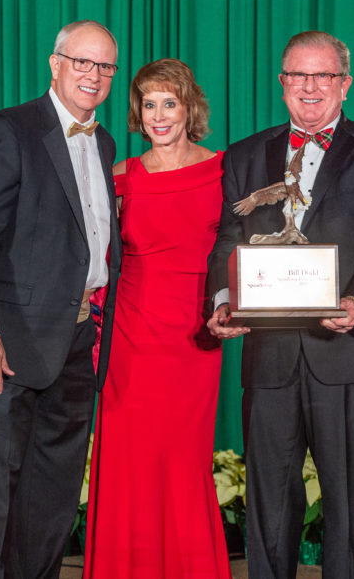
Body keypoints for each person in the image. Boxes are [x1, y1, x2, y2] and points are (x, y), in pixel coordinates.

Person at [206, 31, 354, 579]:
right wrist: (224, 300)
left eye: (323, 76)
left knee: (345, 497)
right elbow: (227, 239)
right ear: (282, 83)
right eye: (297, 75)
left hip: (345, 352)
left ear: (346, 84)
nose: (309, 87)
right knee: (269, 496)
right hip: (268, 354)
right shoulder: (246, 154)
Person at [0, 20, 122, 578]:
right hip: (9, 340)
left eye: (105, 67)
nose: (93, 76)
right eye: (82, 62)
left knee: (53, 492)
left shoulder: (103, 141)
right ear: (55, 64)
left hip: (77, 339)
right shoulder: (8, 130)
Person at [82, 58, 230, 578]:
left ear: (190, 108)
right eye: (149, 105)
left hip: (193, 338)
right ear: (137, 113)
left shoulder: (223, 172)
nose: (160, 115)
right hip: (130, 339)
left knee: (183, 462)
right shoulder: (120, 176)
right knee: (128, 462)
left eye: (170, 103)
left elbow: (236, 253)